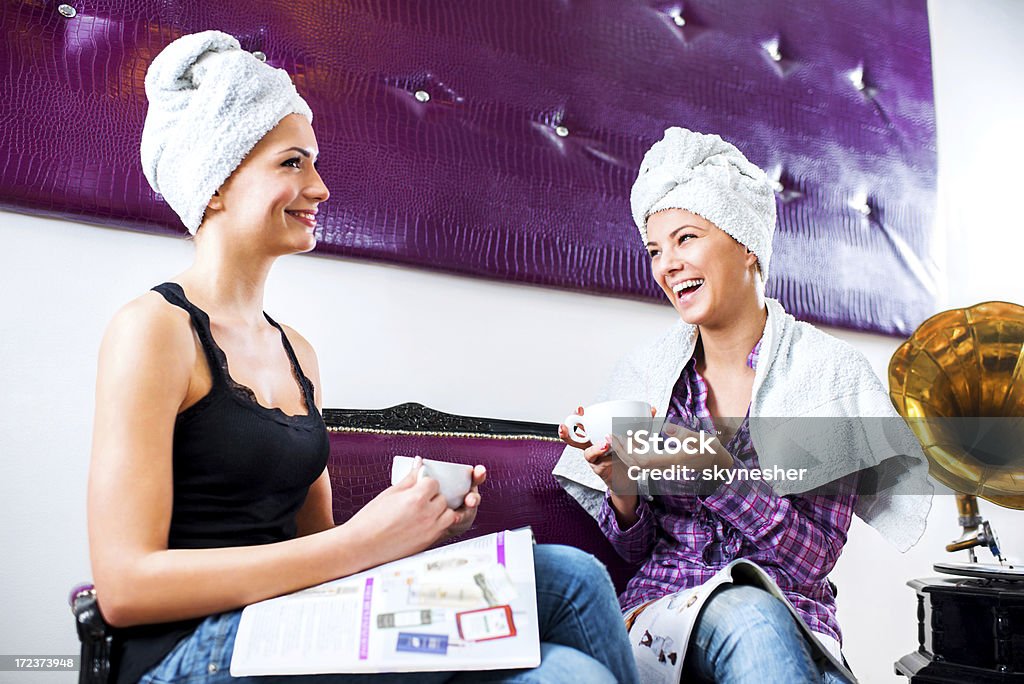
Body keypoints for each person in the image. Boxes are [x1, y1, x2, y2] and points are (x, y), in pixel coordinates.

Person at [88, 30, 638, 684]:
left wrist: (413, 528)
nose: (319, 188)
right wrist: (362, 543)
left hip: (291, 624)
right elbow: (124, 587)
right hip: (189, 654)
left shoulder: (298, 354)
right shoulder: (153, 331)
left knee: (572, 579)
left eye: (314, 163)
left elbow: (315, 547)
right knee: (569, 679)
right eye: (293, 163)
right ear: (215, 183)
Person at [553, 127, 933, 683]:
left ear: (745, 242)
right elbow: (635, 549)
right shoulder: (650, 377)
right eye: (656, 250)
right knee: (746, 616)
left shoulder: (827, 375)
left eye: (685, 239)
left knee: (765, 625)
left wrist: (718, 477)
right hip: (662, 608)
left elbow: (811, 562)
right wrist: (622, 484)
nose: (667, 265)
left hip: (791, 616)